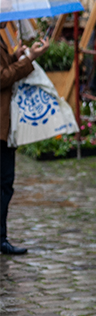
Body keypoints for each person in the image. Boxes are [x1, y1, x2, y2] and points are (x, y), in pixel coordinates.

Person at [0, 35, 47, 255]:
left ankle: (1, 236)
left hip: (4, 125)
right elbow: (2, 77)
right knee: (4, 183)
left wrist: (14, 56)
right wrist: (29, 58)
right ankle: (0, 239)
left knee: (5, 183)